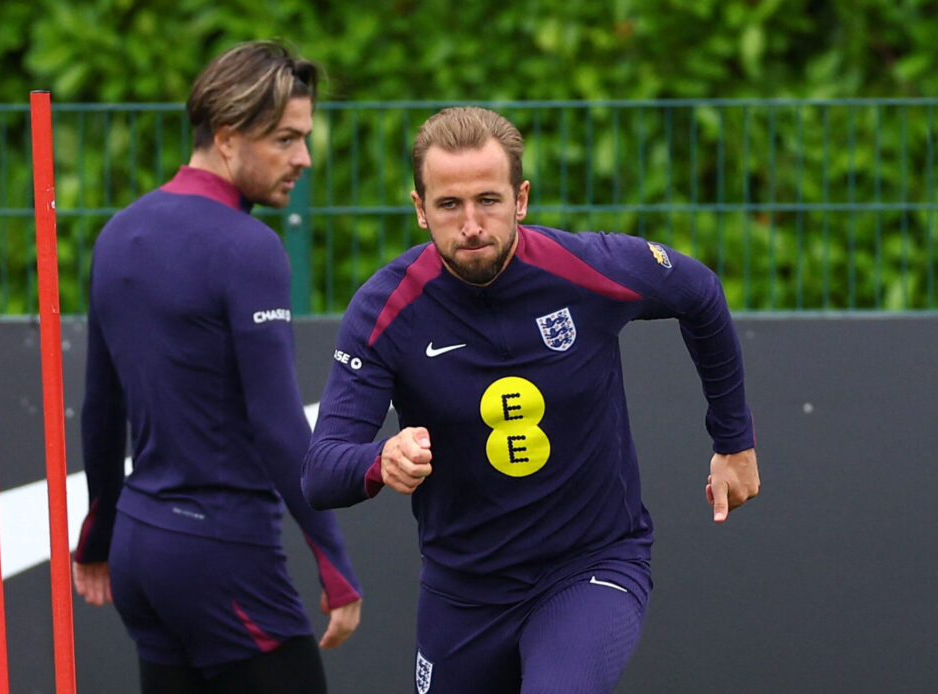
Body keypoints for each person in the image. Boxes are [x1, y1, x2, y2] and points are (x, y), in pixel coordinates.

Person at [301, 106, 759, 693]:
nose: (471, 224)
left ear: (520, 199)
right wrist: (379, 459)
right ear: (419, 210)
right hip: (463, 589)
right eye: (449, 205)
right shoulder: (384, 309)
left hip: (590, 565)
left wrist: (734, 440)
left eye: (488, 200)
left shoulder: (587, 266)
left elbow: (699, 292)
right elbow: (320, 470)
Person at [73, 40, 362, 694]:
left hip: (142, 553)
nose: (304, 159)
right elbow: (277, 423)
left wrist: (98, 533)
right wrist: (334, 560)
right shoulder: (247, 246)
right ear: (228, 137)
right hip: (221, 555)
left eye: (305, 138)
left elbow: (99, 408)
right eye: (286, 139)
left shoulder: (117, 232)